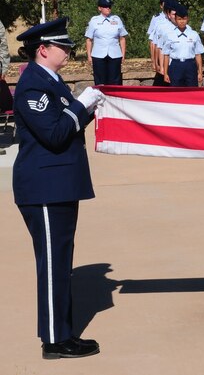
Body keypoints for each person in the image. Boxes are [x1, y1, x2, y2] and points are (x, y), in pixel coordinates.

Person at [14, 18, 104, 359]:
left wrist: (89, 108)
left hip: (59, 184)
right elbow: (53, 133)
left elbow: (70, 122)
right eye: (61, 46)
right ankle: (54, 340)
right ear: (43, 49)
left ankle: (63, 332)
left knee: (60, 262)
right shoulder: (33, 85)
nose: (68, 50)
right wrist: (83, 105)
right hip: (45, 187)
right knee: (53, 264)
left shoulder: (51, 80)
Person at [85, 0, 128, 85]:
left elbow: (122, 38)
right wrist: (89, 56)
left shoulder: (116, 19)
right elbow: (89, 40)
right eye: (105, 6)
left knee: (115, 81)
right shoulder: (94, 21)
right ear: (99, 8)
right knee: (100, 81)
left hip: (115, 54)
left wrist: (123, 54)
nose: (108, 8)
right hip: (98, 55)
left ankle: (115, 97)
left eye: (109, 6)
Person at [162, 5, 204, 86]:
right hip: (176, 66)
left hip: (190, 65)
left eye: (184, 19)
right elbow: (166, 55)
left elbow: (198, 54)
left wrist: (200, 72)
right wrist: (165, 73)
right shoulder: (170, 35)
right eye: (179, 19)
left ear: (187, 19)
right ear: (175, 19)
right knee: (175, 93)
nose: (182, 21)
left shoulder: (194, 34)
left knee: (191, 92)